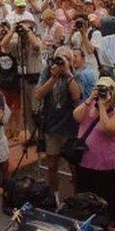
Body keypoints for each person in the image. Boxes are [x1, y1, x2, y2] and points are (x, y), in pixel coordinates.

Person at [71, 77, 115, 225]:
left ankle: (107, 226)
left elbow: (108, 128)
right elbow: (76, 116)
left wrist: (102, 106)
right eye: (98, 88)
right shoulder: (89, 106)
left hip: (107, 167)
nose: (101, 92)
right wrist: (89, 100)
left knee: (106, 200)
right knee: (84, 198)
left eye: (105, 89)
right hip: (85, 162)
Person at [33, 49, 83, 196]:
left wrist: (67, 72)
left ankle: (76, 197)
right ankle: (54, 197)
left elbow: (76, 95)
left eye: (66, 59)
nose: (61, 62)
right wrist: (53, 78)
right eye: (59, 59)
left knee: (74, 166)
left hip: (70, 127)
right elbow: (38, 95)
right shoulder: (48, 71)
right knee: (51, 165)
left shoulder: (75, 73)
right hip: (51, 125)